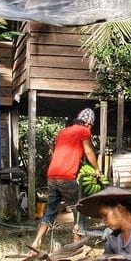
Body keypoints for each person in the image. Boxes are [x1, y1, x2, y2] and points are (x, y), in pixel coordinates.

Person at [30, 107, 99, 251]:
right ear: (87, 123)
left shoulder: (63, 131)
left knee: (50, 212)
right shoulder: (84, 131)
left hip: (52, 176)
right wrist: (97, 169)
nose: (91, 130)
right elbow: (88, 150)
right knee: (79, 210)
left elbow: (57, 153)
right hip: (66, 177)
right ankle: (76, 245)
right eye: (91, 126)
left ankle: (36, 242)